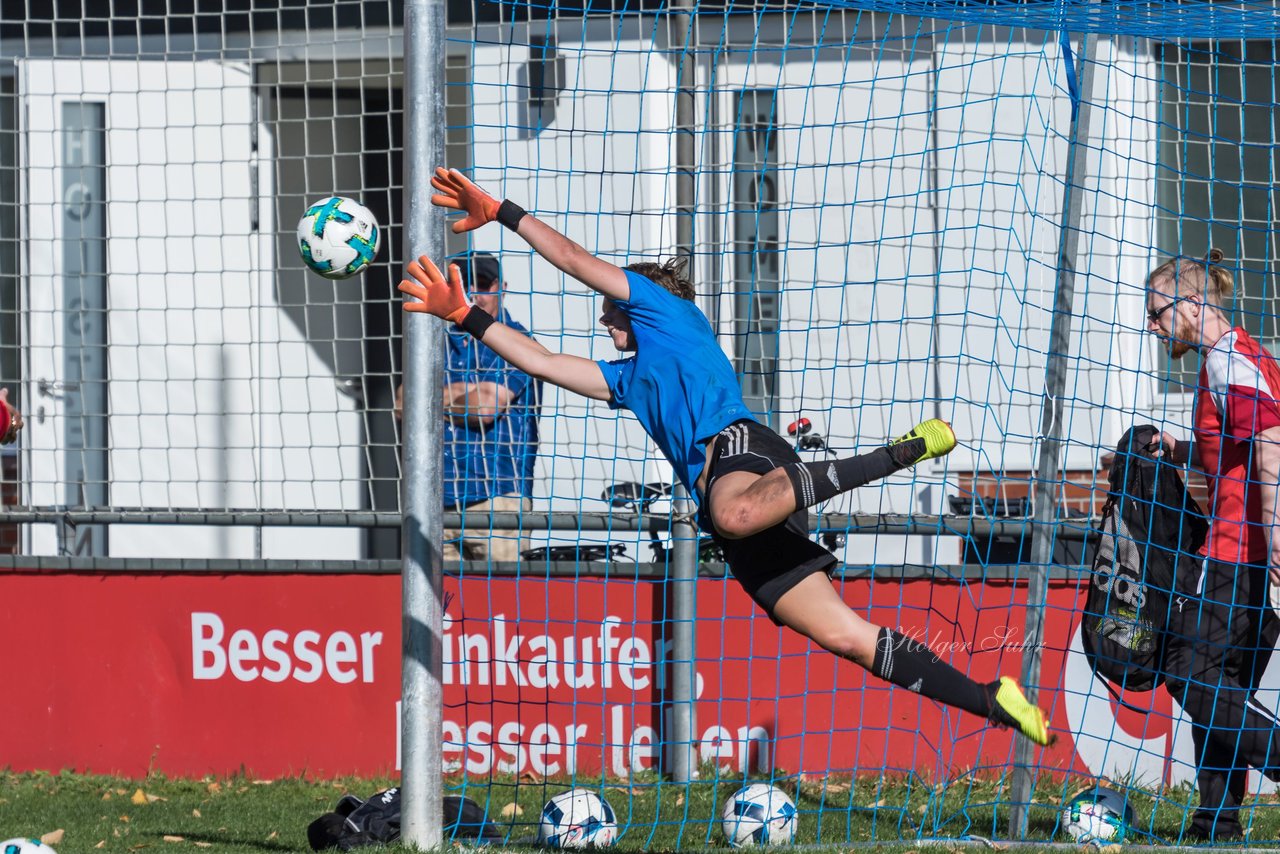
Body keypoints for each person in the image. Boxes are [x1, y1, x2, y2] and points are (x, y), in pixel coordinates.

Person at [398, 166, 1055, 747]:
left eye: (609, 312)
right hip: (735, 501)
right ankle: (991, 700)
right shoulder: (628, 380)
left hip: (742, 453)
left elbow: (571, 257)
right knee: (847, 638)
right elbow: (541, 361)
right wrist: (465, 316)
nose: (604, 323)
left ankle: (900, 452)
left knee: (735, 513)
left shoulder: (668, 314)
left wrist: (503, 213)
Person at [1144, 248, 1280, 841]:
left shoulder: (1230, 361)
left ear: (1193, 302)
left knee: (1187, 669)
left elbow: (1271, 449)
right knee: (1224, 687)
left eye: (1157, 312)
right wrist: (1173, 449)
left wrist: (1276, 542)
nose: (1152, 326)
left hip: (1240, 554)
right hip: (1245, 551)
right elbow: (1228, 453)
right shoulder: (1231, 360)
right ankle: (1216, 821)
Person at [397, 251, 541, 563]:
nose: (474, 293)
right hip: (435, 500)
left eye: (483, 284)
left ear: (501, 286)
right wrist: (464, 394)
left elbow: (486, 408)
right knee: (439, 607)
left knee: (503, 604)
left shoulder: (517, 340)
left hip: (495, 498)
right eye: (466, 285)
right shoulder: (433, 339)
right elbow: (401, 404)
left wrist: (431, 399)